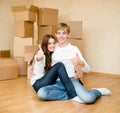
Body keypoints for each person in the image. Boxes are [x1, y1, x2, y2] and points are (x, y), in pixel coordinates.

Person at [37, 23, 112, 104]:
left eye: (64, 33)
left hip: (71, 80)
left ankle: (97, 91)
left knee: (88, 98)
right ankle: (74, 96)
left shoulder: (74, 49)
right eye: (59, 33)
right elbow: (47, 65)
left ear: (68, 35)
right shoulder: (53, 47)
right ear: (55, 35)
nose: (61, 36)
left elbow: (88, 70)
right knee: (41, 93)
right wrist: (37, 60)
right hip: (57, 82)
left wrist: (81, 63)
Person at [29, 34, 83, 103]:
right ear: (45, 44)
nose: (52, 45)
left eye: (54, 43)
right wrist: (38, 58)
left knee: (62, 73)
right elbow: (38, 59)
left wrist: (74, 73)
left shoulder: (51, 54)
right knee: (59, 65)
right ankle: (73, 94)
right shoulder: (41, 54)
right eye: (49, 43)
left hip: (45, 80)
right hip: (38, 83)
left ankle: (72, 91)